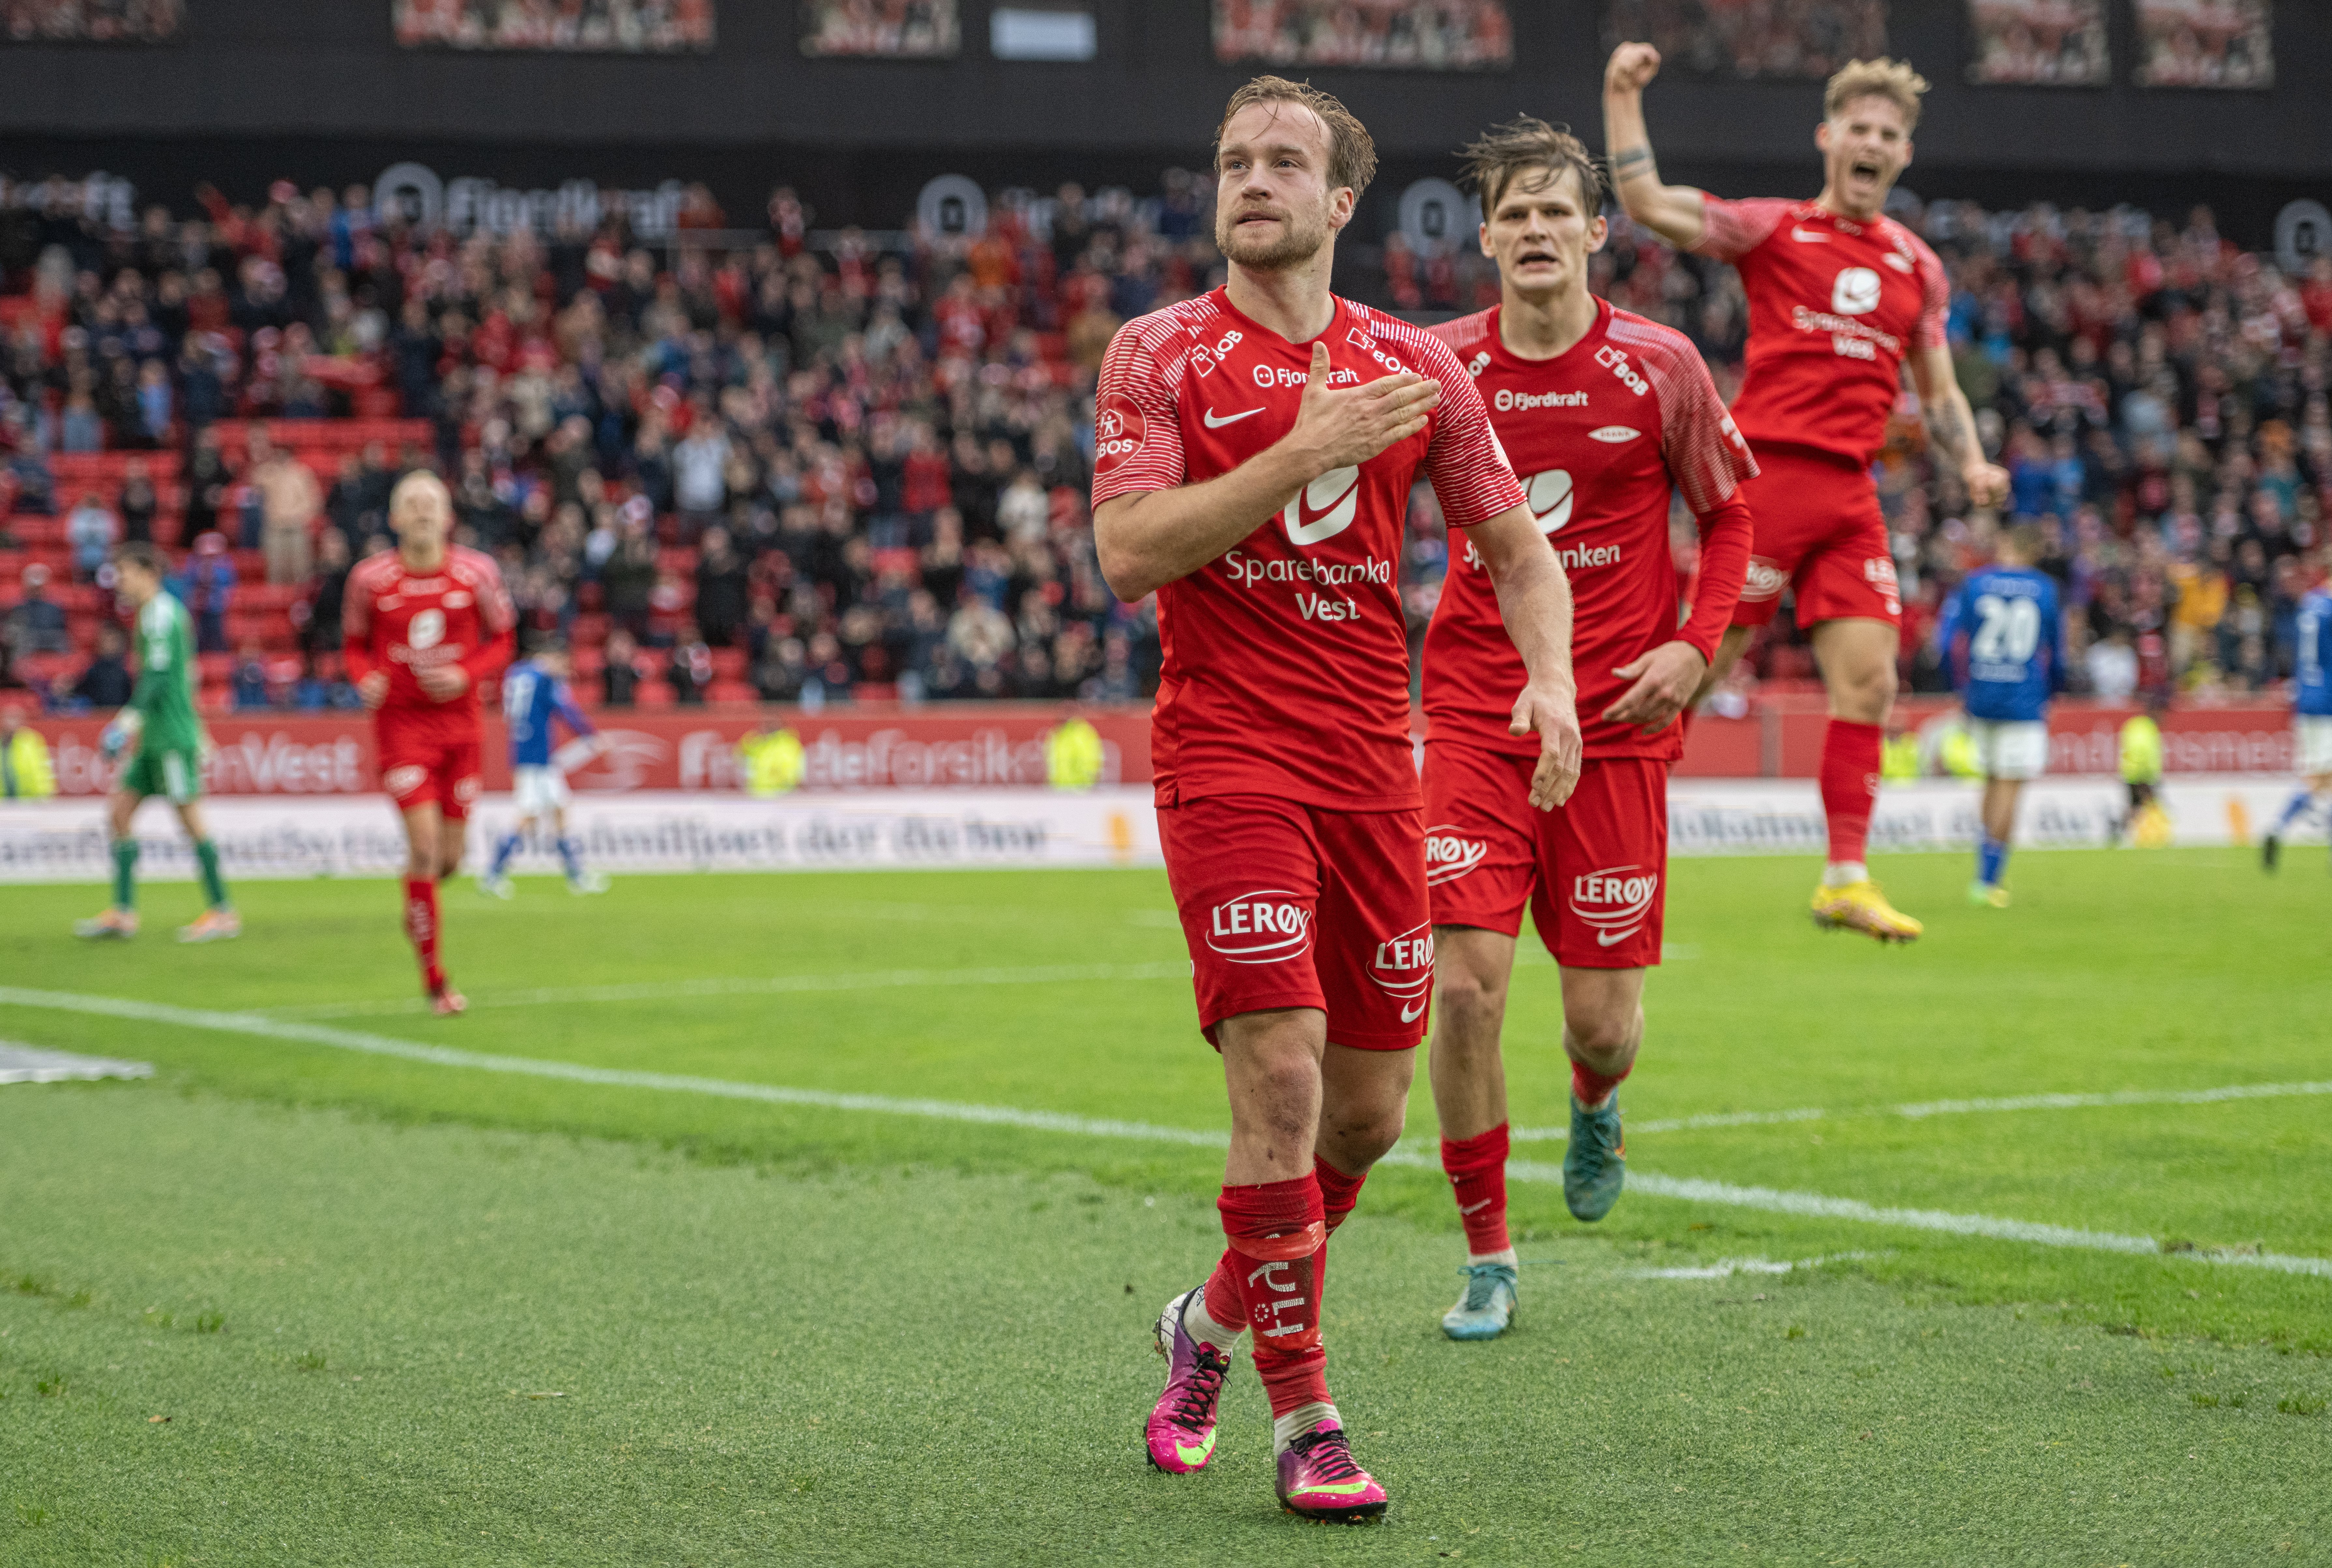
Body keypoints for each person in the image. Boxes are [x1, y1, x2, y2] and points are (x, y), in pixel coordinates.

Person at [1093, 76, 1580, 1520]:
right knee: (1284, 1074)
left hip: (1379, 769)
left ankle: (1209, 1326)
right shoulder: (1159, 353)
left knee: (1362, 1122)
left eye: (1284, 161)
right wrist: (1300, 451)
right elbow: (1127, 552)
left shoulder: (1415, 366)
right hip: (1227, 751)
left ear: (1338, 200)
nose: (1252, 178)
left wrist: (1549, 679)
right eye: (1235, 158)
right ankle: (1309, 1422)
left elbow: (1520, 552)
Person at [1419, 118, 1756, 1341]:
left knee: (1601, 1021)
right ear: (1487, 236)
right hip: (1470, 714)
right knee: (1462, 989)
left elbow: (1731, 517)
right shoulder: (1440, 366)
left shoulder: (1660, 367)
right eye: (1511, 213)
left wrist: (1693, 642)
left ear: (1595, 231)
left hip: (1616, 719)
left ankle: (1593, 1098)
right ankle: (1486, 1252)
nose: (1533, 230)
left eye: (1554, 211)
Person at [1604, 44, 2009, 941]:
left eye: (1888, 134)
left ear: (1903, 155)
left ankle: (1844, 876)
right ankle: (1605, 838)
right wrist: (1621, 97)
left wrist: (1972, 464)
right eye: (1857, 128)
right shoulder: (1774, 230)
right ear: (1828, 139)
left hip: (1850, 496)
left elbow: (1938, 395)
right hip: (1764, 482)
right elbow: (1646, 203)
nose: (1870, 143)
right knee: (1694, 674)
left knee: (1869, 685)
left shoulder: (1917, 266)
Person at [343, 471, 515, 1015]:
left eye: (431, 504)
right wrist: (361, 676)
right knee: (422, 848)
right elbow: (353, 644)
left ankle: (418, 903)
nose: (421, 512)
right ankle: (437, 980)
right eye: (411, 504)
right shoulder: (369, 580)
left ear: (448, 518)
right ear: (394, 519)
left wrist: (469, 673)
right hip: (401, 728)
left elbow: (505, 638)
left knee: (448, 860)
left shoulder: (477, 573)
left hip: (461, 728)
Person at [72, 542, 239, 943]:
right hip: (154, 739)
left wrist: (125, 723)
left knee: (189, 818)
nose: (120, 581)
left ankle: (222, 912)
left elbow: (160, 677)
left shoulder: (161, 614)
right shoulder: (154, 615)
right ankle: (124, 913)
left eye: (126, 572)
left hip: (167, 737)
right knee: (119, 814)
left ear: (149, 573)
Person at [1936, 525, 2064, 906]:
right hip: (2023, 700)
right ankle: (1988, 881)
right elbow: (2056, 652)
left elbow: (1946, 641)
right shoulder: (2045, 589)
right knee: (2011, 785)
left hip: (1981, 695)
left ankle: (1983, 870)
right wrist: (2050, 693)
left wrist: (1960, 685)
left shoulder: (1976, 583)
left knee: (1991, 780)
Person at [481, 641, 609, 898]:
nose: (565, 670)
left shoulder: (516, 673)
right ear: (553, 657)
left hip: (527, 752)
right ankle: (493, 874)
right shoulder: (546, 677)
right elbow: (565, 710)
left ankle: (576, 876)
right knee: (527, 815)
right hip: (536, 757)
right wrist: (592, 737)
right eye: (564, 663)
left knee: (561, 809)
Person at [2261, 578, 2332, 871]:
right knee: (2321, 777)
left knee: (2319, 777)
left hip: (2304, 700)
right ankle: (2286, 828)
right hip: (2328, 701)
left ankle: (2279, 828)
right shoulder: (2329, 611)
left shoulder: (2309, 604)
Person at [1, 702, 55, 799]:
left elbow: (42, 769)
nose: (12, 722)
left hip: (29, 799)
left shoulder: (30, 740)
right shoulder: (3, 742)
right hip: (3, 799)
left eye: (15, 718)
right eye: (9, 718)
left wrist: (44, 795)